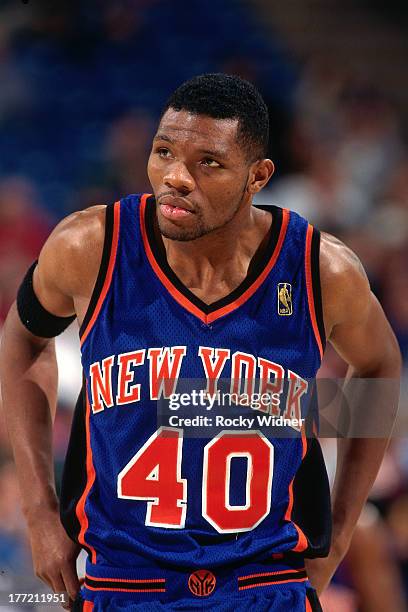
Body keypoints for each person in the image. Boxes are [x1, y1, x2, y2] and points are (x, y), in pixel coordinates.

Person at [0, 73, 401, 611]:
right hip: (124, 582)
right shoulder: (89, 246)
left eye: (207, 162)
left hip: (265, 583)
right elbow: (22, 342)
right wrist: (40, 514)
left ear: (257, 176)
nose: (176, 177)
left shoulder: (318, 270)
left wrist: (341, 529)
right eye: (163, 152)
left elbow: (377, 366)